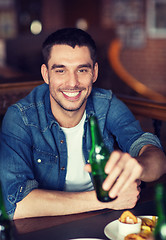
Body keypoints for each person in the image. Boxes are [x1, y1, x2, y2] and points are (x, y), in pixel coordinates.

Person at [0, 28, 166, 220]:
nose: (73, 82)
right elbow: (16, 206)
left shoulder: (107, 104)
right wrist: (106, 199)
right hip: (47, 225)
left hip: (102, 220)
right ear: (46, 74)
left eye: (82, 70)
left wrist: (139, 165)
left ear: (94, 72)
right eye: (60, 70)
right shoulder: (20, 117)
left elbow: (157, 159)